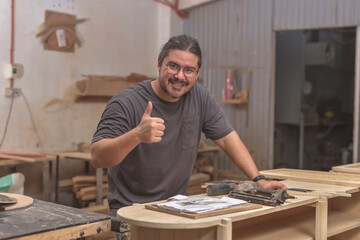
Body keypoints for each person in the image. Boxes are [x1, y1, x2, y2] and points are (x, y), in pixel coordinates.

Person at [91, 34, 286, 236]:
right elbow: (98, 157)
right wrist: (136, 136)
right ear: (159, 64)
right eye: (173, 66)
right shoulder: (127, 102)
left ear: (198, 72)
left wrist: (259, 180)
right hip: (131, 213)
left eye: (189, 70)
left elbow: (228, 138)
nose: (180, 76)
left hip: (178, 209)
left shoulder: (199, 97)